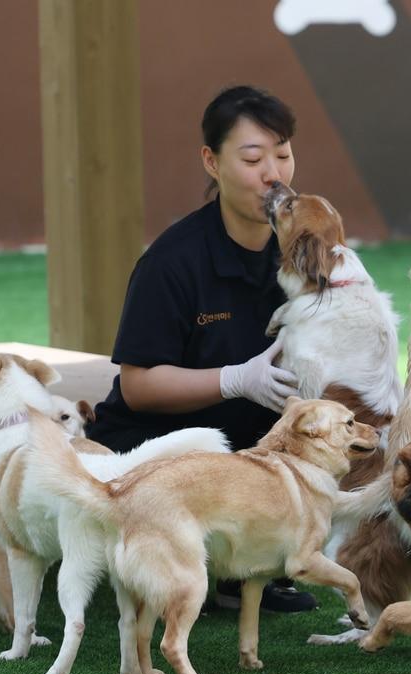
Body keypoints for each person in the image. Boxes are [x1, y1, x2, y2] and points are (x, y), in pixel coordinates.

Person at [85, 85, 316, 613]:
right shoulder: (173, 261)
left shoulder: (300, 249)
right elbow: (139, 386)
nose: (273, 174)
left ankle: (252, 566)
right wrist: (235, 378)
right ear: (211, 162)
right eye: (253, 158)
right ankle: (203, 563)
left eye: (283, 154)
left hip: (251, 434)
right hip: (158, 441)